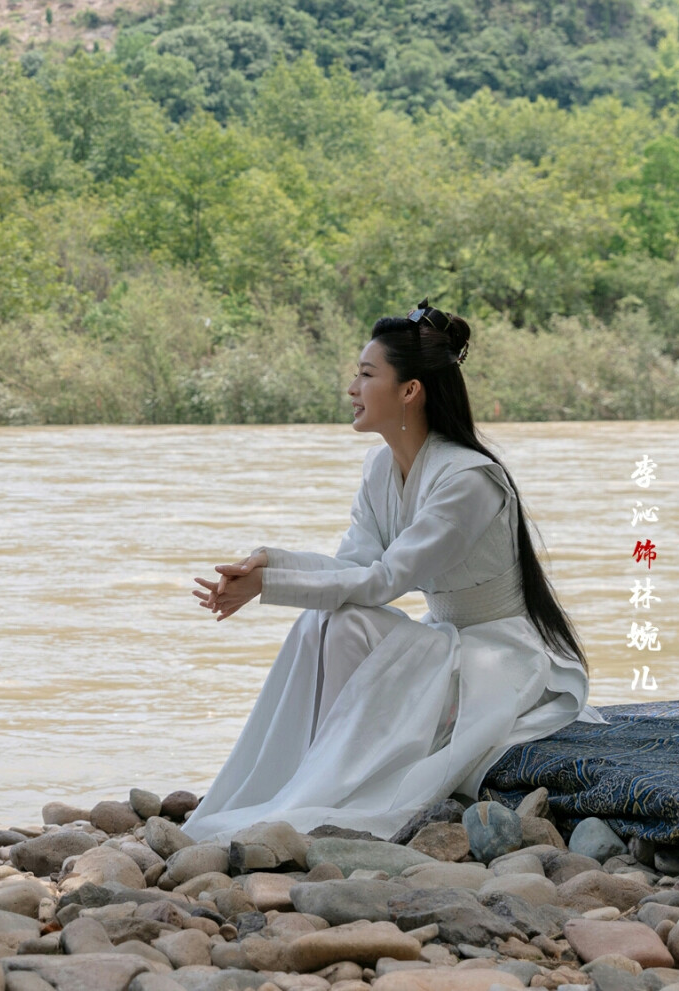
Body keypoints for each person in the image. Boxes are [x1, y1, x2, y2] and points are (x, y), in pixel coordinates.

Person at [185, 302, 603, 841]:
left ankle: (332, 786)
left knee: (346, 620)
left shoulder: (469, 480)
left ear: (410, 390)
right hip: (447, 641)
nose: (352, 388)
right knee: (326, 621)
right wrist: (270, 563)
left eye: (365, 374)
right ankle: (310, 780)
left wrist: (269, 585)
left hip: (498, 658)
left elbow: (385, 580)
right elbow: (354, 566)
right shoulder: (381, 466)